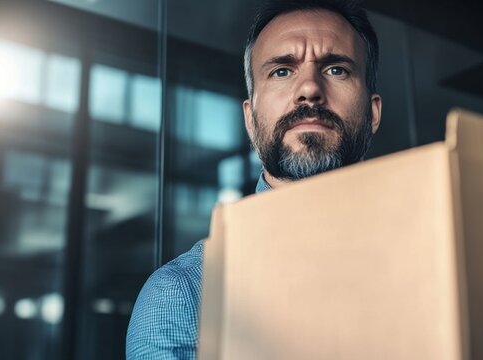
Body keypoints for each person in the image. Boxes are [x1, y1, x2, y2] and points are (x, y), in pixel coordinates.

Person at [125, 0, 382, 358]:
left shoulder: (440, 265)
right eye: (281, 71)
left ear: (372, 113)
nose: (309, 87)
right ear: (250, 118)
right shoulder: (183, 294)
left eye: (336, 69)